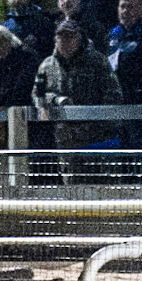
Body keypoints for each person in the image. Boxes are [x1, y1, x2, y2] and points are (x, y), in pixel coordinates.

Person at [35, 19, 122, 181]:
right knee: (73, 192)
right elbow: (37, 95)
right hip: (66, 143)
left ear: (79, 38)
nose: (65, 41)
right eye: (61, 37)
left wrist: (97, 124)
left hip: (98, 142)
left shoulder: (98, 61)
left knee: (104, 189)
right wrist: (55, 99)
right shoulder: (46, 66)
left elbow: (114, 95)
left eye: (70, 37)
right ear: (55, 39)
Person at [106, 0, 142, 150]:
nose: (125, 11)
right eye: (122, 6)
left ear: (140, 8)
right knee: (122, 153)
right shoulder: (114, 34)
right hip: (117, 103)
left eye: (130, 7)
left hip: (140, 102)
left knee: (141, 152)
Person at [0, 24, 43, 111]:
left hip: (23, 105)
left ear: (8, 41)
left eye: (0, 42)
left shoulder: (26, 56)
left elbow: (22, 86)